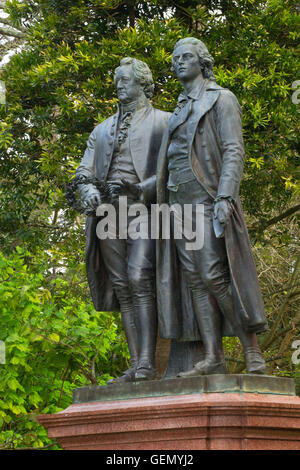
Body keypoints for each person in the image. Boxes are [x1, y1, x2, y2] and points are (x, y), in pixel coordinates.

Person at [156, 37, 268, 376]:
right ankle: (214, 356)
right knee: (196, 280)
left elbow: (234, 149)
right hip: (178, 204)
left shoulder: (221, 99)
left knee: (213, 273)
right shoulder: (178, 108)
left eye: (186, 57)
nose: (178, 62)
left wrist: (225, 196)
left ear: (202, 61)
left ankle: (253, 352)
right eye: (174, 58)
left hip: (206, 198)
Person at [76, 57, 170, 383]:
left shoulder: (164, 122)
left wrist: (142, 189)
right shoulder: (101, 130)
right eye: (116, 80)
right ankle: (137, 365)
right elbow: (84, 173)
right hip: (107, 214)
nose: (119, 85)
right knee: (123, 288)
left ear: (143, 83)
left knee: (139, 277)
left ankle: (147, 362)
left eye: (125, 79)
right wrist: (88, 190)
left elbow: (173, 170)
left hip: (144, 209)